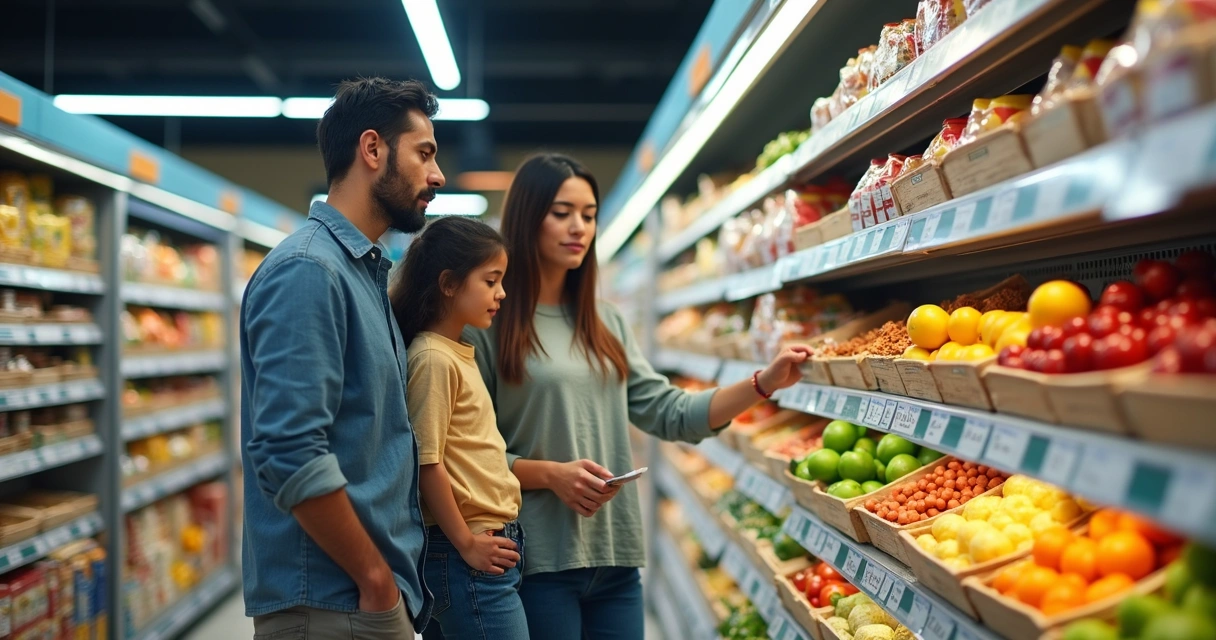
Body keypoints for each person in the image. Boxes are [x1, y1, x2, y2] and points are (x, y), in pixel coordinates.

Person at [463, 153, 812, 639]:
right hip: (538, 558)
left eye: (588, 215)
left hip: (616, 557)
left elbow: (671, 413)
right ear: (527, 218)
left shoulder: (605, 322)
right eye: (562, 212)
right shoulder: (487, 324)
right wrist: (549, 475)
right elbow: (467, 453)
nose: (578, 227)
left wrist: (763, 383)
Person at [240, 77, 444, 639]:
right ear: (372, 149)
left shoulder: (361, 272)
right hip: (336, 603)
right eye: (424, 153)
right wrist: (375, 580)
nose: (437, 175)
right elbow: (289, 451)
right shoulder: (310, 271)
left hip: (358, 601)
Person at [388, 216, 529, 639]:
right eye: (490, 281)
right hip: (462, 555)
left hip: (473, 552)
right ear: (449, 283)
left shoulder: (454, 353)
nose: (501, 292)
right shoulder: (433, 358)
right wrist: (467, 543)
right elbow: (427, 462)